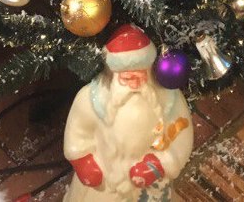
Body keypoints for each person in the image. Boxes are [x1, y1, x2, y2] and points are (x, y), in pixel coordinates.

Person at [64, 25, 193, 201]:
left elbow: (182, 135)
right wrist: (83, 162)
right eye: (127, 79)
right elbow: (77, 133)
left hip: (148, 186)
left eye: (140, 77)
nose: (134, 84)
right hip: (105, 182)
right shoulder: (91, 100)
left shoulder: (168, 100)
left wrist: (158, 165)